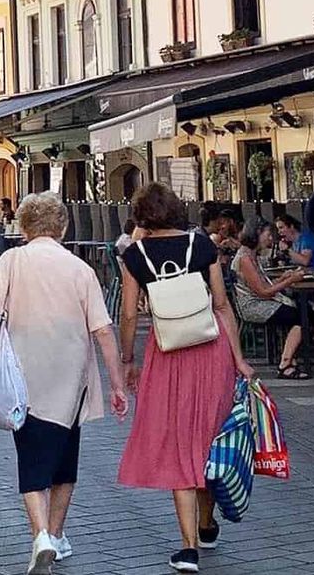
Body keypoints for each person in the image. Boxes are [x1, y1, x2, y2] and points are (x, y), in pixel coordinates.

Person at [118, 182, 253, 575]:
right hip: (211, 350)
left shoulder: (134, 255)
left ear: (142, 214)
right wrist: (240, 359)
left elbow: (129, 315)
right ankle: (208, 522)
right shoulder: (202, 245)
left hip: (168, 351)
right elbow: (222, 305)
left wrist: (128, 359)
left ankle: (189, 547)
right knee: (209, 438)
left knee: (180, 443)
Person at [0, 193, 127, 574]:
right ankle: (57, 533)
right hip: (72, 378)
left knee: (31, 457)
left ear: (24, 227)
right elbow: (103, 329)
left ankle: (41, 536)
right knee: (65, 461)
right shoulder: (80, 269)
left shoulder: (10, 262)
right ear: (62, 227)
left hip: (24, 375)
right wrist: (117, 384)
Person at [231, 221, 307, 378]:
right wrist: (290, 281)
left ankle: (289, 360)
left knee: (304, 313)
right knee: (299, 317)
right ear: (256, 235)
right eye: (268, 234)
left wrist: (283, 278)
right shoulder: (245, 258)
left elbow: (263, 286)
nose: (271, 238)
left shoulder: (250, 255)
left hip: (260, 301)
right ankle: (285, 363)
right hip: (253, 306)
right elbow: (263, 292)